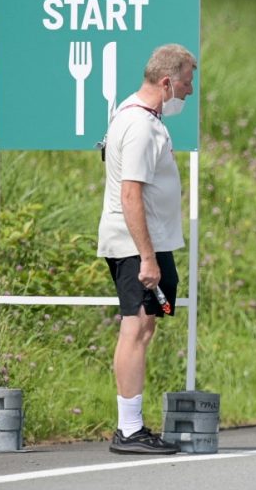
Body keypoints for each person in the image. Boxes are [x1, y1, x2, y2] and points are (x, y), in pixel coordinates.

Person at [97, 43, 196, 454]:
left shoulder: (140, 115)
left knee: (148, 324)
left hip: (152, 242)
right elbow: (130, 194)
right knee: (134, 326)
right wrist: (149, 258)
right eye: (188, 82)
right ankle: (129, 430)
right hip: (138, 245)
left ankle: (133, 425)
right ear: (168, 81)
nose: (190, 92)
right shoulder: (138, 124)